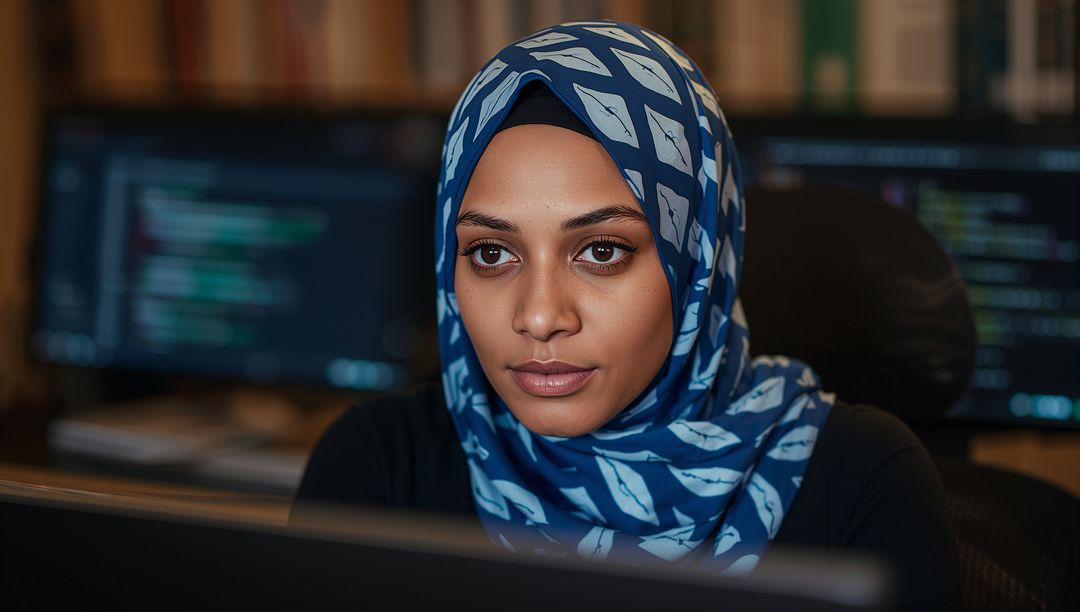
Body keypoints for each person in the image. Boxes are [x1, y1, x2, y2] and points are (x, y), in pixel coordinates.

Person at [292, 21, 960, 610]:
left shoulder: (861, 481)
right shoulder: (377, 467)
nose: (540, 315)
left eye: (602, 250)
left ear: (696, 262)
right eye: (492, 252)